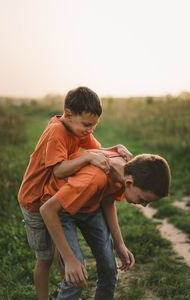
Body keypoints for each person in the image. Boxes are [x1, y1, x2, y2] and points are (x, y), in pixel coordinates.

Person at [18, 86, 132, 300]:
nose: (90, 130)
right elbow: (59, 169)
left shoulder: (77, 129)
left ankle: (65, 289)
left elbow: (97, 150)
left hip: (52, 196)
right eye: (87, 125)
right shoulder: (57, 132)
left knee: (64, 251)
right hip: (34, 200)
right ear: (68, 115)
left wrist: (116, 149)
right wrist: (87, 158)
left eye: (94, 125)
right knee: (45, 258)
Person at [40, 150, 171, 300]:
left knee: (109, 268)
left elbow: (108, 201)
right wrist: (70, 260)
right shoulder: (94, 178)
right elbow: (47, 210)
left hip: (90, 207)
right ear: (129, 183)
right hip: (62, 210)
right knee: (76, 275)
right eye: (142, 199)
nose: (144, 206)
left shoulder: (123, 173)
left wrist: (119, 243)